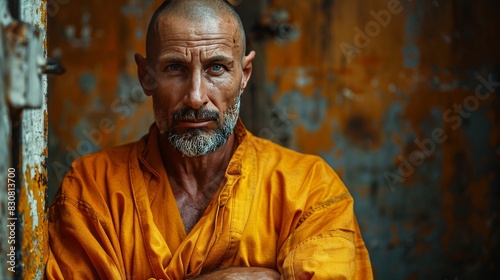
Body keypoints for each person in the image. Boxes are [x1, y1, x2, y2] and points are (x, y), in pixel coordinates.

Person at [46, 0, 373, 279]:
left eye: (216, 67)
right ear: (146, 76)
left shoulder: (310, 190)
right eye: (175, 68)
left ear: (244, 75)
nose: (196, 97)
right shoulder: (91, 188)